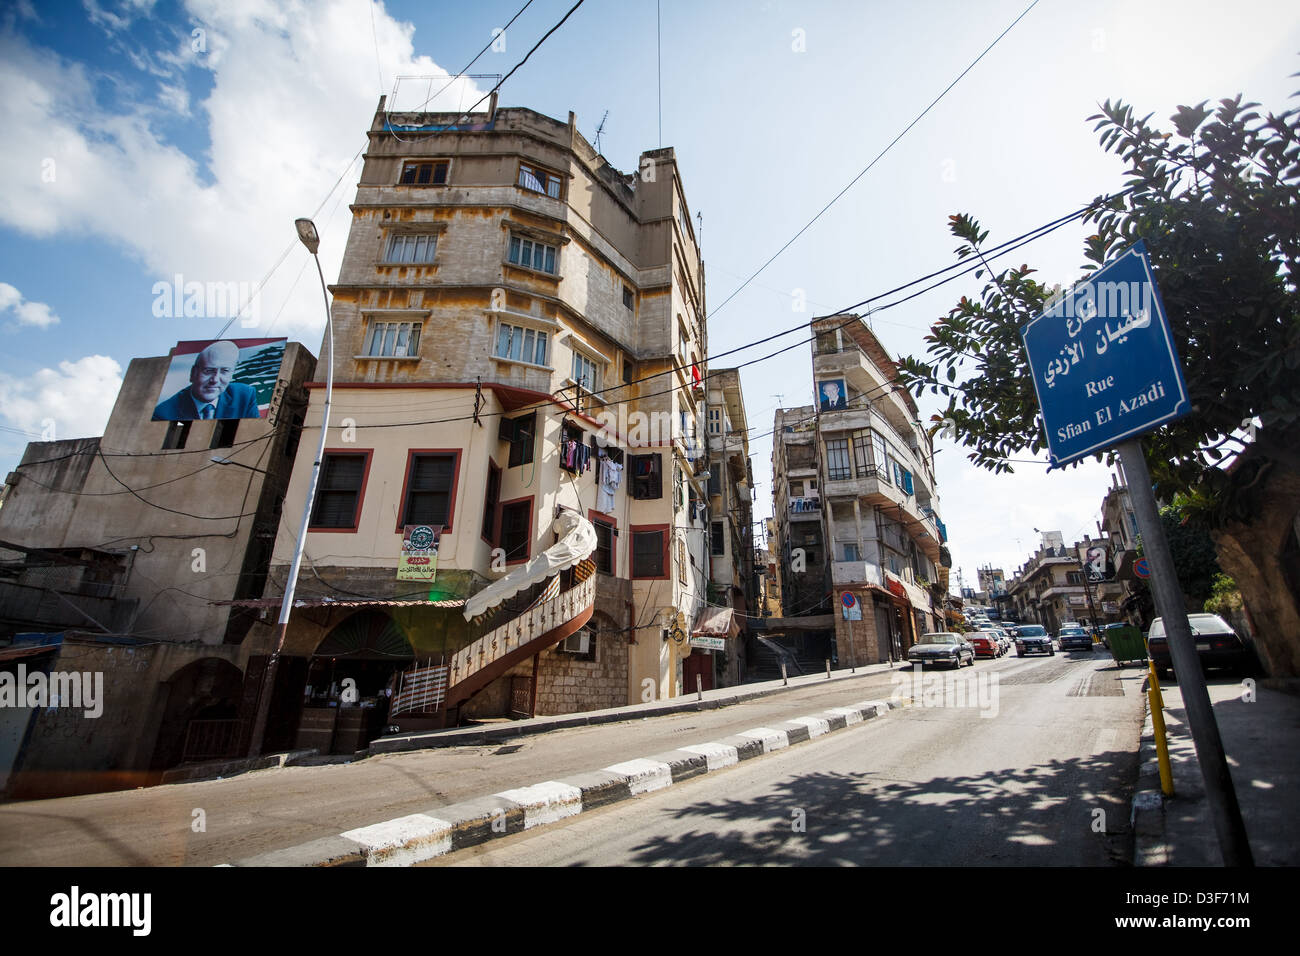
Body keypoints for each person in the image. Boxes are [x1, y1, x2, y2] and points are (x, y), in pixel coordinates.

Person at [152, 340, 260, 421]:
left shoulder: (245, 396)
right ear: (193, 373)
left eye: (225, 371)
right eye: (208, 371)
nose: (215, 380)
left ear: (232, 373)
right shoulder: (163, 414)